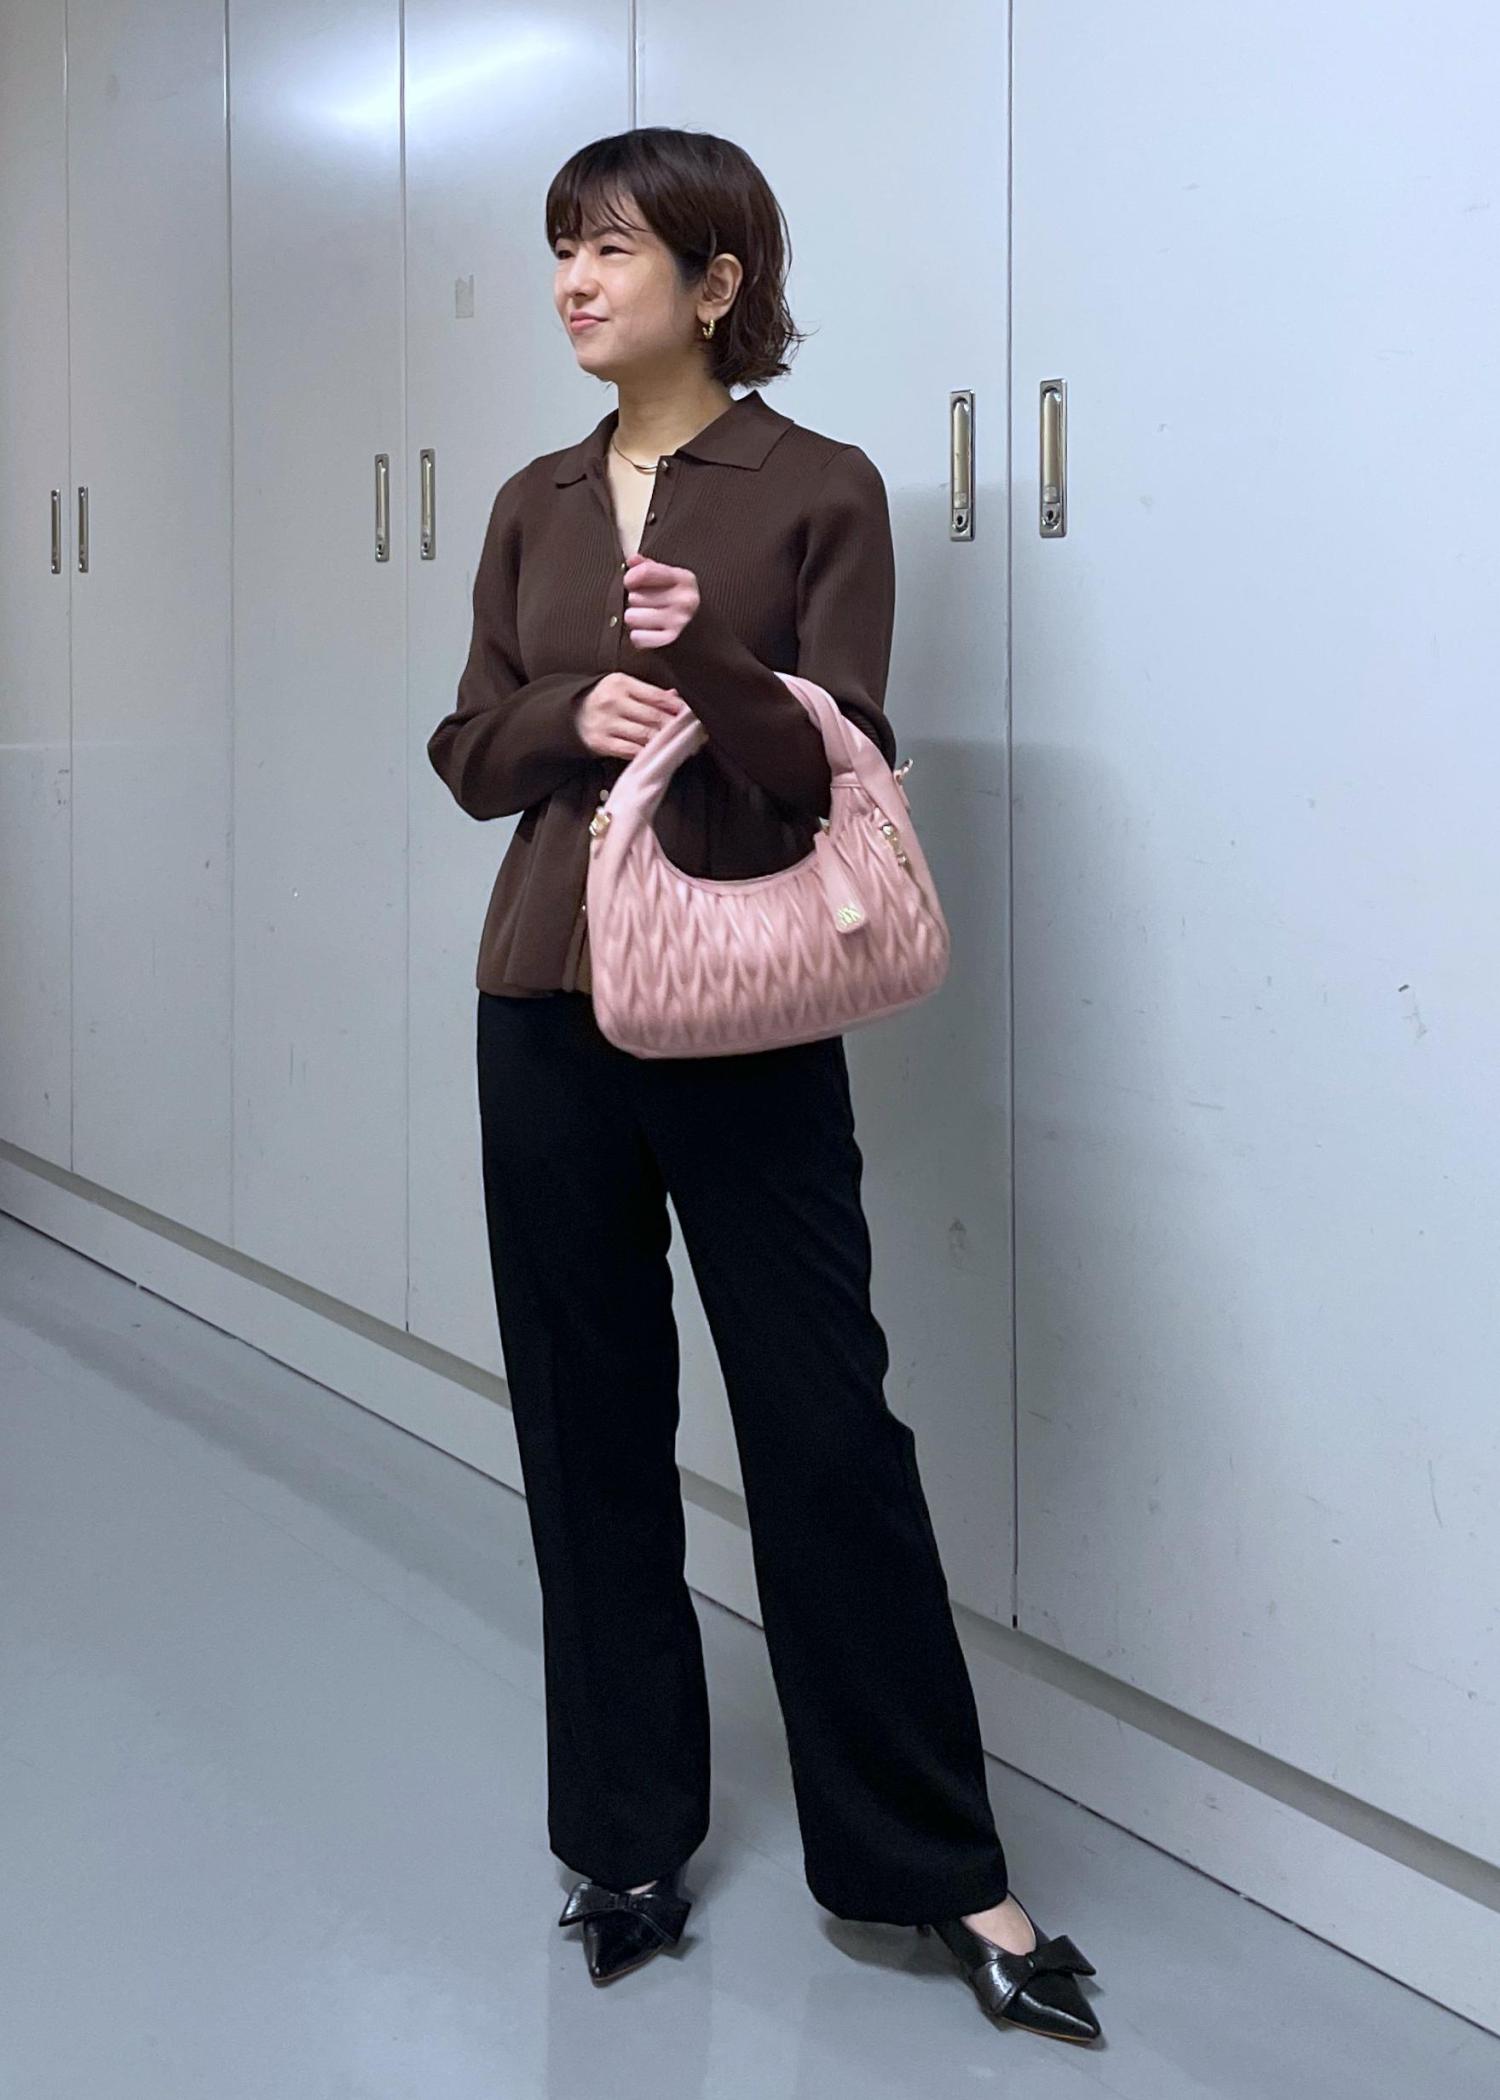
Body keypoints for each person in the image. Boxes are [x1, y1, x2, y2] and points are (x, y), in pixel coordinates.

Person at [426, 125, 1101, 2046]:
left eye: (612, 250)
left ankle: (933, 1862)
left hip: (746, 1015)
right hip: (544, 1004)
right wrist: (567, 711)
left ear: (716, 283)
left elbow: (835, 766)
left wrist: (716, 664)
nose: (573, 281)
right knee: (587, 1425)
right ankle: (624, 1836)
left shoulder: (818, 486)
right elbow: (466, 750)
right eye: (561, 248)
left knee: (823, 1428)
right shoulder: (537, 498)